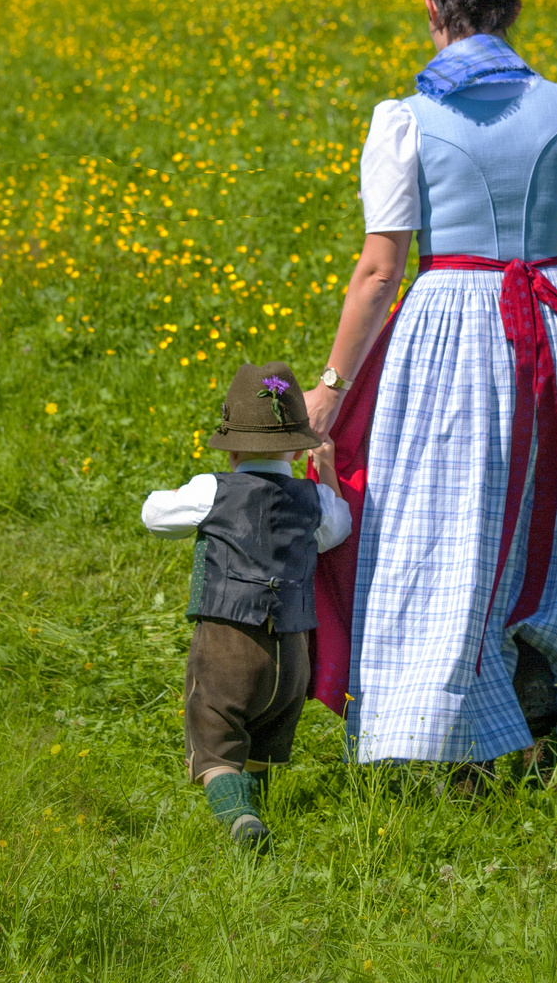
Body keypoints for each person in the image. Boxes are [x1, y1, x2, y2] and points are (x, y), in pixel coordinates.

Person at [303, 0, 557, 769]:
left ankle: (444, 727)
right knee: (552, 517)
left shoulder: (407, 120)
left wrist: (329, 391)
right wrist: (536, 260)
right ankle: (551, 711)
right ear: (515, 7)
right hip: (556, 317)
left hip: (452, 323)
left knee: (445, 518)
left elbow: (380, 273)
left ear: (431, 7)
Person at [141, 361, 351, 849]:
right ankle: (262, 806)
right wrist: (324, 473)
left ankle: (242, 821)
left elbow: (153, 514)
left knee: (214, 737)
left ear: (231, 446)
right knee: (269, 740)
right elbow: (338, 530)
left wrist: (185, 495)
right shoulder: (313, 498)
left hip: (227, 641)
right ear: (299, 447)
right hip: (293, 652)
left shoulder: (213, 490)